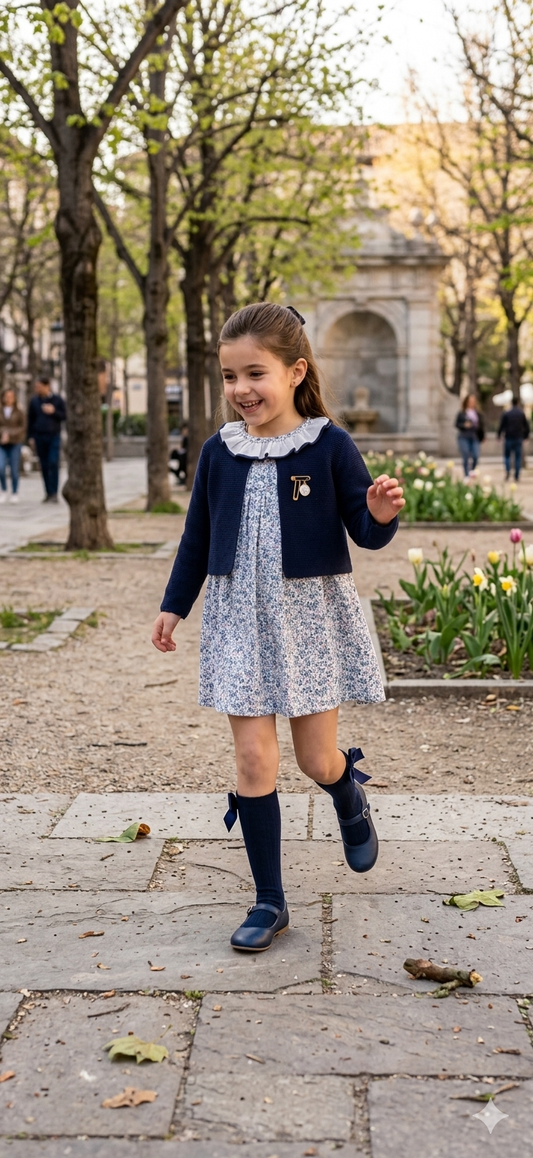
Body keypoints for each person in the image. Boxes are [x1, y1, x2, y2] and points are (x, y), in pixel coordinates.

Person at [151, 302, 404, 952]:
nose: (240, 390)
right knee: (252, 761)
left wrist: (377, 513)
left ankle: (347, 794)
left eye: (254, 373)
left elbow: (365, 534)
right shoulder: (218, 451)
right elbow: (197, 537)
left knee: (313, 758)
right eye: (230, 376)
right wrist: (174, 605)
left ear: (295, 371)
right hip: (239, 622)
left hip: (309, 623)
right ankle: (268, 902)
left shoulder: (328, 446)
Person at [27, 376, 67, 502]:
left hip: (53, 435)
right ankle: (48, 492)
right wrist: (30, 437)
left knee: (53, 462)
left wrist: (54, 411)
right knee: (43, 465)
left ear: (47, 386)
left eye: (39, 386)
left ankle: (54, 492)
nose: (37, 389)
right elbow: (30, 420)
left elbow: (64, 415)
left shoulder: (57, 400)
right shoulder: (34, 401)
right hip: (39, 436)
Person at [0, 387, 25, 504]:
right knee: (1, 468)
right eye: (6, 397)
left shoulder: (19, 411)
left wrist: (9, 434)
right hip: (2, 444)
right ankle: (4, 490)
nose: (8, 399)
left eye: (11, 397)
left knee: (14, 470)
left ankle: (15, 492)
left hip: (15, 443)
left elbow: (23, 427)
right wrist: (3, 433)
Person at [497, 395, 530, 481]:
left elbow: (501, 426)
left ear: (511, 403)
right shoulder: (521, 413)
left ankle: (508, 471)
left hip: (509, 437)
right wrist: (526, 436)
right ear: (518, 403)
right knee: (517, 457)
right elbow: (526, 426)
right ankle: (517, 475)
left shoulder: (507, 413)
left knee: (507, 456)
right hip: (518, 437)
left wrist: (499, 435)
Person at [455, 393, 485, 477]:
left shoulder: (478, 413)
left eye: (473, 401)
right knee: (465, 455)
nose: (472, 403)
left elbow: (482, 425)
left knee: (475, 455)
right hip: (464, 436)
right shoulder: (462, 413)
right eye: (470, 401)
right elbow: (457, 424)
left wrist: (482, 436)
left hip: (474, 436)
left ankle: (472, 471)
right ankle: (466, 475)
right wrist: (464, 425)